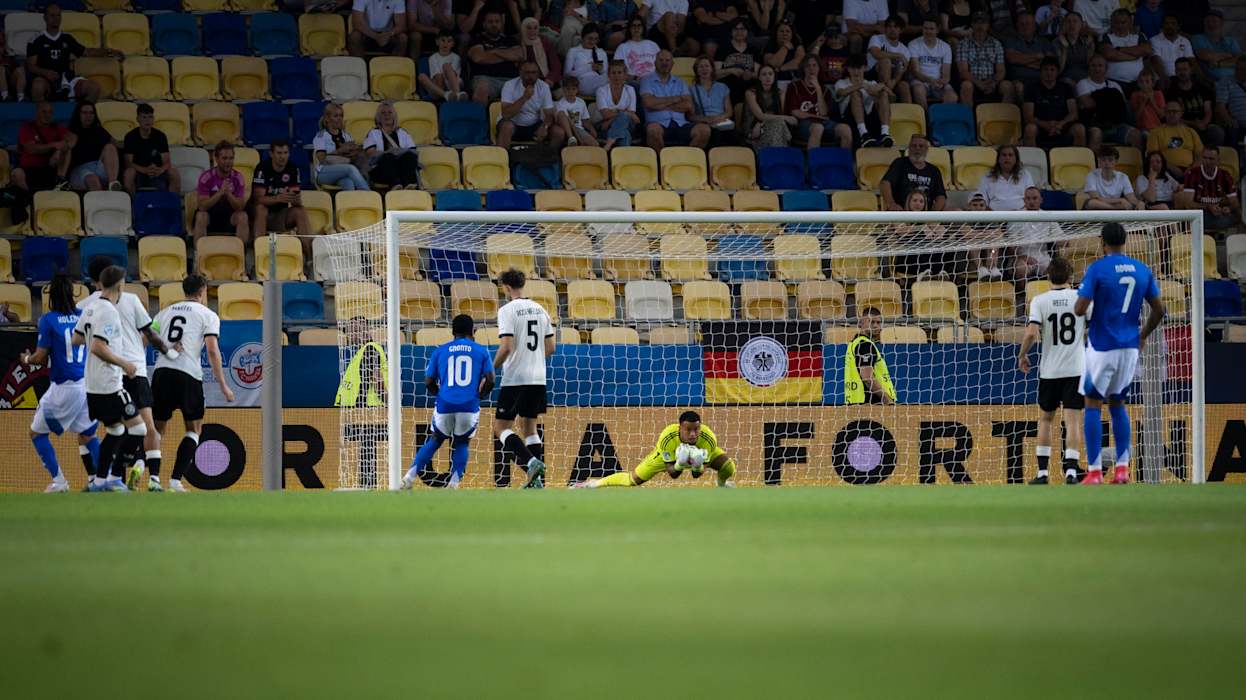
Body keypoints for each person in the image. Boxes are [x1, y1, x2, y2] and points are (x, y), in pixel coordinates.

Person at [1074, 222, 1166, 485]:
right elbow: (1159, 310)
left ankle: (1094, 472)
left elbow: (1079, 309)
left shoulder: (1098, 268)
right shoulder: (1142, 269)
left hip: (1103, 345)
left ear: (1102, 242)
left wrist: (1090, 299)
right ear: (1125, 241)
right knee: (1117, 403)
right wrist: (1142, 336)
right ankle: (1123, 469)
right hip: (1129, 347)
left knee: (1092, 404)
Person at [82, 257, 174, 491]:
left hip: (104, 376)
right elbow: (149, 333)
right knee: (147, 427)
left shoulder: (86, 305)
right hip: (132, 369)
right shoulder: (130, 300)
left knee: (116, 430)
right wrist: (168, 352)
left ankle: (108, 479)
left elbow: (79, 339)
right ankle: (151, 477)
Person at [150, 274, 233, 493]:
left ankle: (151, 476)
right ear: (202, 291)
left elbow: (147, 337)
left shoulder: (165, 312)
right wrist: (223, 385)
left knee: (156, 429)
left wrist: (166, 350)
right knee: (194, 429)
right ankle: (175, 481)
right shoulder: (208, 315)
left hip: (161, 372)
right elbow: (212, 350)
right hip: (188, 374)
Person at [21, 273, 99, 493]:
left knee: (36, 433)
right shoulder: (83, 315)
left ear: (52, 296)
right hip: (86, 384)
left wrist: (26, 359)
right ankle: (109, 478)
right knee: (88, 435)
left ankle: (59, 481)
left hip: (64, 387)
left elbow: (40, 358)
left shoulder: (48, 320)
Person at [399, 314, 494, 490]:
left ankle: (408, 478)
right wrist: (480, 396)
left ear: (452, 332)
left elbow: (428, 381)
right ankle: (454, 483)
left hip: (445, 404)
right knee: (462, 442)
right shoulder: (481, 351)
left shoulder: (440, 351)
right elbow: (491, 379)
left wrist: (440, 395)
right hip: (469, 405)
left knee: (435, 440)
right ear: (473, 331)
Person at [72, 265, 145, 492]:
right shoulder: (110, 312)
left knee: (115, 431)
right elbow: (97, 346)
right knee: (139, 429)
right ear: (120, 286)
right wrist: (124, 364)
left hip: (92, 384)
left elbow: (77, 339)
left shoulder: (91, 307)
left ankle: (99, 481)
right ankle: (114, 477)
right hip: (109, 384)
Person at [1018, 256, 1086, 485]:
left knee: (1046, 419)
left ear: (1048, 277)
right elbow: (1093, 327)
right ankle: (1071, 472)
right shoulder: (1081, 298)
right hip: (1075, 368)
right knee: (1073, 420)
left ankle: (1043, 473)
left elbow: (1031, 333)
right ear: (1071, 277)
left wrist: (1022, 355)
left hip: (1050, 371)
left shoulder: (1039, 300)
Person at [492, 268, 553, 489]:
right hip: (538, 378)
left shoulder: (507, 310)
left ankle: (530, 463)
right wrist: (532, 358)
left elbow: (506, 347)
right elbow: (551, 347)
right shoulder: (541, 309)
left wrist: (490, 369)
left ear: (506, 287)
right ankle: (537, 482)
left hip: (516, 378)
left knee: (501, 428)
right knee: (530, 428)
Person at [575, 409, 737, 488]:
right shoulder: (667, 437)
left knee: (728, 466)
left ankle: (721, 484)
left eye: (696, 429)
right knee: (633, 480)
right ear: (679, 428)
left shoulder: (708, 439)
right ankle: (593, 484)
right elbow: (673, 474)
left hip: (698, 458)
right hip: (669, 458)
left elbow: (696, 475)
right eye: (688, 430)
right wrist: (680, 464)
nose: (693, 434)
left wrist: (697, 465)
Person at [25, 4, 120, 103]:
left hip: (66, 78)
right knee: (38, 86)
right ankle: (42, 111)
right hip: (45, 79)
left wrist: (109, 51)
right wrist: (46, 73)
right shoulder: (36, 40)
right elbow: (31, 66)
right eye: (52, 15)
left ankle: (82, 111)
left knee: (94, 88)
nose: (56, 18)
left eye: (58, 15)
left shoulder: (67, 38)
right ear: (45, 18)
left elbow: (86, 52)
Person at [250, 139, 313, 264]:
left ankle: (309, 258)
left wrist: (296, 200)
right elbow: (257, 199)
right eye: (279, 153)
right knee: (261, 209)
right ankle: (259, 257)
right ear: (271, 154)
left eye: (285, 153)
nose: (282, 157)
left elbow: (294, 197)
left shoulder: (292, 168)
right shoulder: (262, 168)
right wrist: (277, 198)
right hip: (257, 217)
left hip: (280, 215)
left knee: (300, 211)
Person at [641, 50, 710, 151]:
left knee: (704, 130)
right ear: (655, 63)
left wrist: (660, 104)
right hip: (658, 124)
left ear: (672, 63)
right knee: (653, 130)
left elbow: (688, 105)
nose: (664, 63)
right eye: (661, 60)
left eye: (667, 60)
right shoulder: (646, 80)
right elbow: (649, 103)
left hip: (681, 124)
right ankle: (661, 159)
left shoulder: (680, 82)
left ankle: (687, 159)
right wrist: (675, 99)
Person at [786, 55, 852, 150]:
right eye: (808, 66)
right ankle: (813, 159)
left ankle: (844, 159)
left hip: (824, 124)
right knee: (818, 127)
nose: (811, 68)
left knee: (845, 129)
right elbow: (795, 112)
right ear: (803, 69)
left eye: (814, 65)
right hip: (802, 125)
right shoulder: (794, 86)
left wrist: (818, 88)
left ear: (819, 68)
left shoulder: (825, 90)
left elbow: (823, 113)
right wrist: (818, 117)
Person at [193, 142, 250, 245]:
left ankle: (242, 251)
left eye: (231, 158)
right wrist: (220, 193)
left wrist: (228, 194)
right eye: (224, 158)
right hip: (210, 216)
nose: (228, 162)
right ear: (216, 159)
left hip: (229, 216)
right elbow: (202, 206)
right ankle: (198, 252)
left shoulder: (238, 177)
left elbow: (240, 207)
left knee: (243, 216)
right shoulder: (206, 177)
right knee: (201, 216)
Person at [1077, 54, 1137, 151]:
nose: (1097, 69)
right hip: (1094, 125)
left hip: (1115, 125)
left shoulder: (1115, 85)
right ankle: (1094, 161)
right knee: (1096, 134)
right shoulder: (1083, 83)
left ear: (1106, 68)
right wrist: (1111, 97)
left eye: (1100, 65)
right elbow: (1088, 104)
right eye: (1093, 65)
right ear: (1089, 68)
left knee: (1136, 135)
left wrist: (1097, 98)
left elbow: (1122, 105)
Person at [498, 60, 563, 148]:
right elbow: (506, 114)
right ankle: (502, 156)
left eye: (534, 72)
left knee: (559, 132)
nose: (530, 76)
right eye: (527, 72)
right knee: (507, 126)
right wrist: (524, 98)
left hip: (534, 125)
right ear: (520, 73)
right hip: (513, 123)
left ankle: (549, 155)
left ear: (538, 74)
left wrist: (545, 127)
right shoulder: (509, 85)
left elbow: (549, 114)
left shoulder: (544, 86)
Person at [834, 54, 894, 148]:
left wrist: (883, 87)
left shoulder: (872, 83)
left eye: (859, 68)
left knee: (883, 94)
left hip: (870, 121)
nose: (856, 72)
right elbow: (841, 93)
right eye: (853, 68)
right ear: (848, 69)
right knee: (855, 93)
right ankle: (863, 134)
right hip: (850, 122)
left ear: (865, 68)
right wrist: (861, 85)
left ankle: (885, 133)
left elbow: (893, 98)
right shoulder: (841, 83)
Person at [1024, 56, 1085, 148]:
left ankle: (1078, 157)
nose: (1049, 72)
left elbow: (1074, 113)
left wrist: (1061, 124)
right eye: (1045, 69)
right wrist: (1045, 125)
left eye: (1052, 70)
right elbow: (1028, 116)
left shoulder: (1066, 88)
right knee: (1030, 129)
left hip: (1062, 127)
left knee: (1079, 129)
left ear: (1057, 72)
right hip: (1040, 127)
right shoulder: (1031, 88)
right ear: (1040, 71)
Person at [467, 10, 524, 105]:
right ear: (484, 24)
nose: (494, 24)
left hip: (510, 79)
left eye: (497, 21)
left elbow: (518, 55)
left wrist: (494, 52)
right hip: (485, 78)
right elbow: (479, 58)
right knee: (481, 89)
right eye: (490, 22)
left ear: (502, 23)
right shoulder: (477, 39)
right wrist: (507, 55)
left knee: (526, 91)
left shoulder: (510, 40)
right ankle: (480, 115)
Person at [61, 101, 121, 192]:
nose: (88, 116)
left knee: (110, 147)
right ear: (78, 114)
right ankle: (102, 200)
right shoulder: (71, 132)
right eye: (84, 113)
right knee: (93, 180)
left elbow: (116, 144)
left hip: (99, 166)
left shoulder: (99, 129)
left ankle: (113, 183)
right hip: (80, 169)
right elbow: (63, 149)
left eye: (91, 113)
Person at [957, 11, 1013, 106]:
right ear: (972, 25)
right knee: (966, 86)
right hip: (973, 82)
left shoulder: (996, 44)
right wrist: (979, 83)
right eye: (977, 22)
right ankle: (968, 115)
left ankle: (1002, 115)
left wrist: (993, 82)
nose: (980, 26)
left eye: (983, 23)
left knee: (1008, 86)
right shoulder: (963, 44)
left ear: (988, 25)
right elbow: (963, 71)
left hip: (992, 82)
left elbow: (1001, 70)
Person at [312, 102, 371, 191]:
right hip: (324, 172)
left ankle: (353, 200)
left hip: (343, 170)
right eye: (336, 116)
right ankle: (368, 194)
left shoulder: (347, 136)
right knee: (350, 169)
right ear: (327, 118)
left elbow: (352, 155)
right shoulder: (320, 136)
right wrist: (340, 151)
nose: (339, 119)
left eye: (341, 116)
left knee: (348, 182)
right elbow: (322, 159)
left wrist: (355, 150)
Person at [1177, 146, 1239, 230]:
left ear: (1218, 160)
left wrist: (1228, 208)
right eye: (1204, 158)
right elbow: (1188, 204)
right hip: (1200, 213)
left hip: (1219, 213)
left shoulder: (1225, 175)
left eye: (1211, 159)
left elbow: (1235, 203)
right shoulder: (1192, 174)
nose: (1207, 161)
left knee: (1235, 216)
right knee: (1196, 218)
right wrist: (1208, 206)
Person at [123, 103, 179, 195]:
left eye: (150, 117)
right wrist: (145, 170)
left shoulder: (160, 136)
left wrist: (160, 170)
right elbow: (128, 163)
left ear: (153, 119)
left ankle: (172, 202)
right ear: (138, 119)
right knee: (129, 173)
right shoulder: (130, 137)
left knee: (174, 172)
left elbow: (167, 161)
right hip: (139, 172)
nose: (147, 120)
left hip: (157, 171)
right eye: (144, 117)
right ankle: (133, 202)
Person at [880, 133, 946, 211]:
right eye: (914, 146)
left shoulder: (934, 170)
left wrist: (933, 214)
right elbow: (885, 183)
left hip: (925, 214)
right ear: (909, 148)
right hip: (901, 213)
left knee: (956, 210)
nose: (917, 148)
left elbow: (941, 196)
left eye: (921, 146)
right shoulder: (899, 163)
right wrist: (891, 204)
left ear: (926, 149)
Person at [1165, 57, 1221, 149]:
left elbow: (1208, 111)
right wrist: (1194, 124)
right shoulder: (1171, 92)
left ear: (1191, 70)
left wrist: (1203, 123)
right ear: (1175, 72)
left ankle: (1209, 155)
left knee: (1216, 132)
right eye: (1179, 70)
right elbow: (1173, 116)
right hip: (1183, 127)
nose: (1182, 73)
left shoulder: (1203, 88)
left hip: (1203, 126)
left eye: (1185, 69)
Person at [895, 189, 952, 280]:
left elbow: (939, 228)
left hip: (929, 261)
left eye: (921, 201)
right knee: (921, 236)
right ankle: (924, 273)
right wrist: (920, 228)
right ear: (908, 202)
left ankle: (940, 272)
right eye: (915, 200)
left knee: (943, 241)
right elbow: (900, 230)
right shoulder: (900, 216)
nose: (918, 204)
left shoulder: (927, 219)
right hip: (907, 259)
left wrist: (940, 232)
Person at [11, 101, 66, 193]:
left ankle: (60, 181)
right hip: (28, 169)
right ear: (37, 113)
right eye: (44, 112)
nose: (47, 115)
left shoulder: (56, 127)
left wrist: (59, 150)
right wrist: (54, 145)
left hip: (49, 168)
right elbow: (32, 149)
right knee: (16, 174)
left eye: (50, 112)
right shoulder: (27, 127)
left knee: (67, 150)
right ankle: (29, 196)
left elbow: (72, 140)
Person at [845, 308, 897, 405]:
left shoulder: (854, 343)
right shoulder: (865, 345)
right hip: (872, 404)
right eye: (872, 322)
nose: (876, 325)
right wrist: (887, 399)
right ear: (861, 323)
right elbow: (867, 378)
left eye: (878, 322)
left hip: (856, 401)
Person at [1011, 186, 1064, 280]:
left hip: (1043, 256)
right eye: (1028, 199)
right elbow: (1011, 247)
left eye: (1034, 198)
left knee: (1055, 271)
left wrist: (1060, 242)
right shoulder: (1015, 217)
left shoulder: (1048, 217)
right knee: (1022, 268)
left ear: (1041, 200)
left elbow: (1062, 240)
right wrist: (1024, 257)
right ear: (1024, 200)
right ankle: (1021, 290)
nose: (1031, 201)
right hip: (1022, 257)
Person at [364, 102, 420, 188]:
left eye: (390, 112)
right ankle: (396, 185)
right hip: (381, 170)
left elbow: (413, 152)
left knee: (409, 157)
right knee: (388, 157)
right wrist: (387, 152)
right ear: (378, 117)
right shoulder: (373, 133)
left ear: (394, 116)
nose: (387, 115)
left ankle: (409, 184)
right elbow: (370, 153)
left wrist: (399, 152)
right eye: (383, 113)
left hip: (401, 169)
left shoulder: (403, 132)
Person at [1003, 11, 1054, 102]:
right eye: (1021, 24)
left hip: (1041, 80)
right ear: (1017, 26)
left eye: (1028, 23)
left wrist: (1022, 60)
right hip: (1019, 80)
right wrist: (1038, 56)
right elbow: (1012, 58)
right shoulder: (1011, 40)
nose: (1025, 26)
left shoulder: (1044, 41)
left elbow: (1050, 62)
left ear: (1034, 26)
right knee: (1019, 87)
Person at [907, 17, 957, 109]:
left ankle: (940, 116)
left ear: (937, 30)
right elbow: (915, 72)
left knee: (952, 96)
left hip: (938, 82)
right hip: (920, 81)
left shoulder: (945, 47)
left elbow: (946, 75)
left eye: (931, 29)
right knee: (919, 90)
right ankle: (926, 116)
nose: (928, 31)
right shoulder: (913, 44)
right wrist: (930, 80)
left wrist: (941, 82)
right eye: (925, 28)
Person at [743, 63, 794, 148]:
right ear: (759, 77)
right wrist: (786, 118)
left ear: (774, 76)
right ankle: (780, 154)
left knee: (777, 126)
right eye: (764, 74)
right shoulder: (750, 93)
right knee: (779, 126)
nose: (768, 77)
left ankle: (773, 154)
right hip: (754, 128)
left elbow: (781, 113)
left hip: (773, 125)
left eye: (770, 74)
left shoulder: (780, 93)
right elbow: (760, 116)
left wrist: (784, 118)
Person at [1146, 103, 1203, 177]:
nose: (1171, 114)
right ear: (1165, 114)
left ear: (1181, 113)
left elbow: (1200, 155)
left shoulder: (1191, 131)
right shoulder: (1155, 132)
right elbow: (1153, 156)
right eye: (1168, 112)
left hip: (1191, 171)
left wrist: (1191, 169)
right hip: (1166, 170)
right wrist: (1172, 168)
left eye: (1175, 111)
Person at [866, 15, 912, 104]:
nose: (892, 29)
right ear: (885, 28)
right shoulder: (877, 38)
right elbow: (876, 53)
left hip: (892, 79)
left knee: (904, 85)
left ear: (901, 30)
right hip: (873, 77)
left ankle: (908, 112)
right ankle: (886, 97)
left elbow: (902, 70)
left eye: (895, 27)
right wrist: (898, 55)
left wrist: (894, 81)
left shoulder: (905, 50)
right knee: (885, 61)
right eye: (889, 26)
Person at [1099, 8, 1150, 87]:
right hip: (1114, 82)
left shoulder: (1139, 35)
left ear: (1130, 22)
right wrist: (1134, 56)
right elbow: (1109, 54)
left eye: (1123, 22)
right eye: (1116, 22)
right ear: (1112, 23)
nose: (1120, 26)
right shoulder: (1106, 36)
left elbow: (1145, 50)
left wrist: (1119, 49)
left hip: (1139, 81)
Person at [1083, 146, 1144, 210]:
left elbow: (1131, 198)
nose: (1107, 163)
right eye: (1103, 160)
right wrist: (1120, 200)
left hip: (1112, 204)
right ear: (1099, 161)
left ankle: (1114, 209)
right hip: (1098, 206)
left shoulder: (1123, 177)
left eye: (1110, 160)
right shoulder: (1091, 175)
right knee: (1092, 203)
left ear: (1116, 161)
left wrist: (1139, 203)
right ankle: (1114, 209)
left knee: (1130, 204)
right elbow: (1096, 197)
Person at [596, 60, 639, 149]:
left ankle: (609, 143)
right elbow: (605, 114)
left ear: (624, 75)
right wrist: (623, 112)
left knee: (624, 117)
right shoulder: (601, 90)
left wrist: (612, 118)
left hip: (615, 123)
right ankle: (623, 156)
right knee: (625, 134)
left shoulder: (630, 90)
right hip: (607, 126)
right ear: (608, 75)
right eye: (613, 73)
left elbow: (631, 114)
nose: (616, 76)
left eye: (619, 73)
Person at [715, 19, 760, 105]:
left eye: (742, 29)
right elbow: (715, 73)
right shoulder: (723, 48)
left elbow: (758, 74)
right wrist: (731, 70)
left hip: (748, 89)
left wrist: (750, 74)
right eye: (736, 29)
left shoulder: (754, 50)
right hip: (727, 88)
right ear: (731, 32)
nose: (739, 32)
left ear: (747, 31)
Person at [979, 144, 1035, 212]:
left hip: (1021, 215)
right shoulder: (988, 176)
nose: (1007, 158)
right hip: (994, 216)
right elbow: (982, 201)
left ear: (1016, 159)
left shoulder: (1025, 175)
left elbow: (1032, 198)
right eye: (1004, 155)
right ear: (998, 159)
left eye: (1010, 155)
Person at [1192, 10, 1240, 85]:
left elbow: (1239, 60)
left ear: (1221, 23)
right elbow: (1205, 56)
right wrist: (1230, 55)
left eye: (1214, 21)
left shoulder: (1231, 41)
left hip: (1236, 81)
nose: (1210, 24)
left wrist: (1219, 64)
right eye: (1207, 21)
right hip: (1213, 82)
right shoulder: (1198, 38)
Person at [689, 54, 733, 138]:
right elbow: (690, 116)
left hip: (721, 122)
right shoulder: (691, 89)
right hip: (703, 124)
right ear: (696, 70)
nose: (704, 69)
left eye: (707, 66)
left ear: (712, 69)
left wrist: (718, 118)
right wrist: (707, 119)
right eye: (701, 67)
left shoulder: (723, 87)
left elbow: (729, 111)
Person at [418, 28, 467, 101]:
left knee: (446, 66)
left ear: (453, 44)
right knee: (421, 76)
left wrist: (446, 71)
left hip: (453, 84)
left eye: (449, 41)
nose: (445, 44)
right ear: (437, 42)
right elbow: (437, 77)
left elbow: (453, 75)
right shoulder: (432, 58)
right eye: (443, 40)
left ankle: (457, 94)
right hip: (439, 86)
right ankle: (446, 95)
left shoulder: (456, 57)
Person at [965, 191, 1004, 280]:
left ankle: (992, 268)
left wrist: (979, 234)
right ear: (969, 206)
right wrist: (989, 234)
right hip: (967, 255)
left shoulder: (989, 216)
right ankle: (981, 269)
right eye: (975, 205)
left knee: (995, 243)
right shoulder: (963, 216)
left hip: (988, 252)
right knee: (973, 241)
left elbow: (999, 234)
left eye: (981, 205)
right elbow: (968, 234)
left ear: (985, 206)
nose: (978, 208)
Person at [565, 22, 609, 96]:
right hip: (581, 84)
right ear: (583, 37)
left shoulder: (601, 52)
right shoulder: (573, 51)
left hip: (600, 83)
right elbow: (567, 75)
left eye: (596, 39)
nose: (592, 42)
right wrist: (589, 68)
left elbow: (606, 74)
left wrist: (601, 69)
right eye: (590, 38)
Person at [1148, 14, 1194, 85]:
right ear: (1162, 25)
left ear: (1178, 26)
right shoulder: (1154, 40)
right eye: (1166, 23)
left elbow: (1191, 60)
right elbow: (1156, 61)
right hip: (1163, 80)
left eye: (1173, 23)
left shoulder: (1185, 41)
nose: (1169, 26)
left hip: (1182, 79)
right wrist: (1163, 77)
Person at [519, 16, 562, 90]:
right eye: (529, 28)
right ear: (523, 29)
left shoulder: (544, 41)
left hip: (546, 78)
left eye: (535, 28)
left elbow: (555, 64)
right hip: (527, 80)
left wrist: (551, 78)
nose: (532, 31)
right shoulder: (519, 43)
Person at [613, 16, 660, 82]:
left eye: (639, 25)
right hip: (634, 82)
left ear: (643, 28)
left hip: (654, 81)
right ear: (629, 29)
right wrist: (634, 78)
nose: (636, 28)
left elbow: (661, 65)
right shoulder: (622, 47)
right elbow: (617, 70)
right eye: (633, 25)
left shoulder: (653, 45)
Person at [554, 75, 597, 146]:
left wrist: (592, 129)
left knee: (595, 144)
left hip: (578, 128)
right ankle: (571, 139)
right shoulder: (561, 103)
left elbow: (584, 120)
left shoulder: (581, 102)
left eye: (573, 89)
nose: (570, 92)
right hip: (566, 128)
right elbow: (569, 122)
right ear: (563, 89)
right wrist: (579, 140)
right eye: (568, 89)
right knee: (561, 114)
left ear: (577, 90)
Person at [1214, 56, 1246, 148]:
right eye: (1238, 69)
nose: (1240, 72)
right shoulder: (1225, 82)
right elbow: (1221, 106)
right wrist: (1229, 120)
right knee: (1233, 130)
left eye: (1243, 69)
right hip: (1238, 124)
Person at [1056, 11, 1095, 85]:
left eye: (1075, 21)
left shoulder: (1087, 41)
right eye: (1068, 21)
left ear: (1081, 24)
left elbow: (1090, 66)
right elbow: (1059, 70)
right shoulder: (1057, 42)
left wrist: (1091, 48)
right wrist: (1064, 48)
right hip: (1066, 79)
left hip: (1085, 79)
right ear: (1064, 25)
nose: (1071, 24)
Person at [0, 31, 25, 102]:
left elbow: (18, 66)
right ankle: (5, 96)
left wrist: (11, 53)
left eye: (1, 44)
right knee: (1, 69)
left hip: (10, 82)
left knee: (20, 69)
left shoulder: (9, 56)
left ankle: (21, 97)